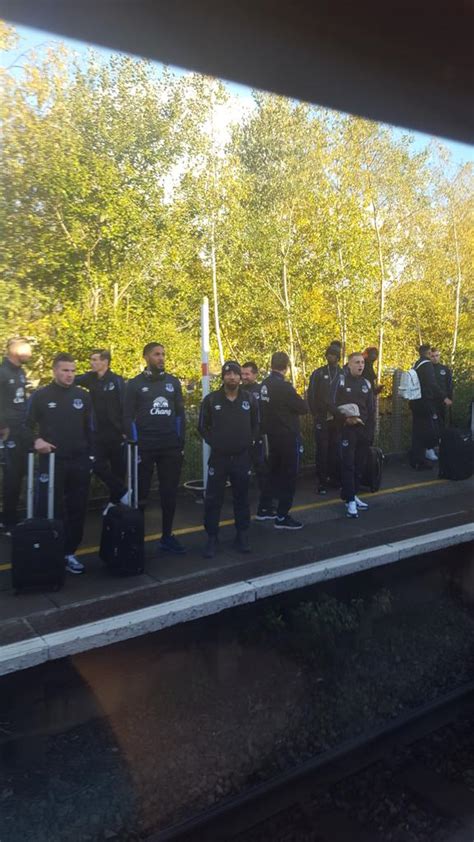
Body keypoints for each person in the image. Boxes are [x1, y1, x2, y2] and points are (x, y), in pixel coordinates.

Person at [24, 353, 92, 574]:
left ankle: (69, 553)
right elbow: (24, 426)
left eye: (72, 370)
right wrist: (36, 440)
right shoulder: (41, 396)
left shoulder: (83, 396)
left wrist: (92, 456)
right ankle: (49, 551)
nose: (69, 374)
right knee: (50, 508)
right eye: (65, 370)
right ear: (54, 371)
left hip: (79, 461)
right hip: (52, 461)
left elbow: (91, 429)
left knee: (78, 508)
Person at [123, 342, 186, 554]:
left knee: (169, 494)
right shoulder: (134, 384)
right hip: (145, 448)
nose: (161, 358)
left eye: (163, 354)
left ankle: (167, 537)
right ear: (146, 357)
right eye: (157, 354)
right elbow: (127, 417)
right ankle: (136, 540)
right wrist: (135, 443)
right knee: (141, 496)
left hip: (169, 447)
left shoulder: (173, 383)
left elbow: (180, 415)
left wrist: (180, 443)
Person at [198, 361, 259, 558]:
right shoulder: (210, 400)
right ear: (223, 377)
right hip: (219, 458)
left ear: (240, 377)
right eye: (228, 374)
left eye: (235, 374)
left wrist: (247, 441)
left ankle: (242, 535)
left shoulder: (249, 399)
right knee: (213, 498)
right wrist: (215, 441)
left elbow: (256, 424)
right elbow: (202, 426)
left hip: (241, 457)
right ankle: (212, 537)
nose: (232, 377)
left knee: (242, 497)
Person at [257, 351, 307, 529]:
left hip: (271, 436)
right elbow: (303, 407)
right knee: (289, 476)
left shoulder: (264, 385)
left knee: (272, 473)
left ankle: (264, 509)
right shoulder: (285, 387)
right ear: (286, 367)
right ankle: (282, 515)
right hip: (287, 436)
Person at [75, 349, 126, 513]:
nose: (92, 363)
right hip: (97, 433)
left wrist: (125, 430)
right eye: (91, 359)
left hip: (116, 433)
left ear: (105, 362)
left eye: (95, 360)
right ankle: (122, 492)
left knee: (118, 469)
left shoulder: (117, 381)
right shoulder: (89, 378)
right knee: (96, 465)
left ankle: (115, 503)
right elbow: (71, 380)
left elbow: (125, 406)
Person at [335, 352, 375, 518]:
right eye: (357, 362)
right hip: (347, 430)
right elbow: (333, 405)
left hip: (363, 430)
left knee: (360, 464)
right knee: (348, 464)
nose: (360, 365)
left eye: (362, 363)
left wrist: (370, 431)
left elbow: (371, 409)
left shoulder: (366, 383)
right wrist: (345, 418)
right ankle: (350, 500)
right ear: (349, 364)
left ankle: (353, 494)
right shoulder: (341, 382)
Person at [0, 338, 32, 534]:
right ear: (14, 351)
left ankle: (12, 516)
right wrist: (2, 427)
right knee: (11, 477)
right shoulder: (2, 372)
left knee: (19, 475)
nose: (29, 353)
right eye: (25, 350)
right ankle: (8, 521)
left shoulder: (19, 371)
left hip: (21, 431)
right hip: (8, 433)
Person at [308, 344, 342, 495]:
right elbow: (311, 394)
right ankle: (321, 481)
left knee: (335, 449)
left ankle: (334, 478)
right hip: (322, 418)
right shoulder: (318, 373)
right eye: (328, 354)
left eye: (333, 354)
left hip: (337, 418)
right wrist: (315, 413)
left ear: (338, 357)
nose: (330, 357)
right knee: (322, 449)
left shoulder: (342, 374)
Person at [409, 344, 450, 469]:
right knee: (425, 431)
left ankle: (416, 459)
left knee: (417, 431)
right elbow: (432, 384)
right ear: (428, 353)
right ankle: (420, 460)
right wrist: (444, 397)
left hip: (416, 401)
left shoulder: (417, 364)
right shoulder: (427, 366)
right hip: (425, 403)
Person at [241, 360, 266, 491]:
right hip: (241, 436)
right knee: (242, 468)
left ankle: (266, 497)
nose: (244, 377)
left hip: (258, 435)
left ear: (255, 375)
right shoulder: (237, 391)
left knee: (260, 465)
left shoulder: (261, 390)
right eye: (242, 374)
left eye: (247, 374)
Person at [430, 348, 453, 430]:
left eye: (437, 355)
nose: (435, 358)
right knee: (431, 424)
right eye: (432, 356)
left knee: (442, 423)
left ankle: (442, 440)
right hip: (430, 401)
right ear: (429, 357)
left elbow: (449, 385)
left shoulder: (445, 369)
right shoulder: (427, 369)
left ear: (439, 356)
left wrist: (450, 398)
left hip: (442, 401)